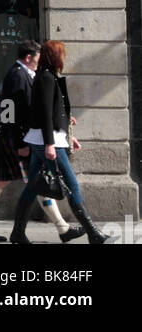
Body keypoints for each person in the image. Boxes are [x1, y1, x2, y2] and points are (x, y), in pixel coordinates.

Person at [0, 40, 83, 243]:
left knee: (34, 181)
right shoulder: (17, 75)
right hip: (15, 139)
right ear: (28, 58)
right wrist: (19, 143)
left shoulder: (27, 75)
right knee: (9, 180)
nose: (39, 62)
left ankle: (62, 228)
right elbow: (8, 110)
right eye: (37, 58)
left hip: (21, 138)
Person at [10, 39, 112, 245]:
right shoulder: (46, 78)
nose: (64, 57)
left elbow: (56, 112)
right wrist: (50, 143)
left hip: (48, 138)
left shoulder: (48, 76)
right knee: (72, 184)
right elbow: (46, 114)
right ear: (55, 57)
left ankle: (17, 233)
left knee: (32, 187)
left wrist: (67, 135)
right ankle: (93, 234)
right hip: (47, 140)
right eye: (62, 54)